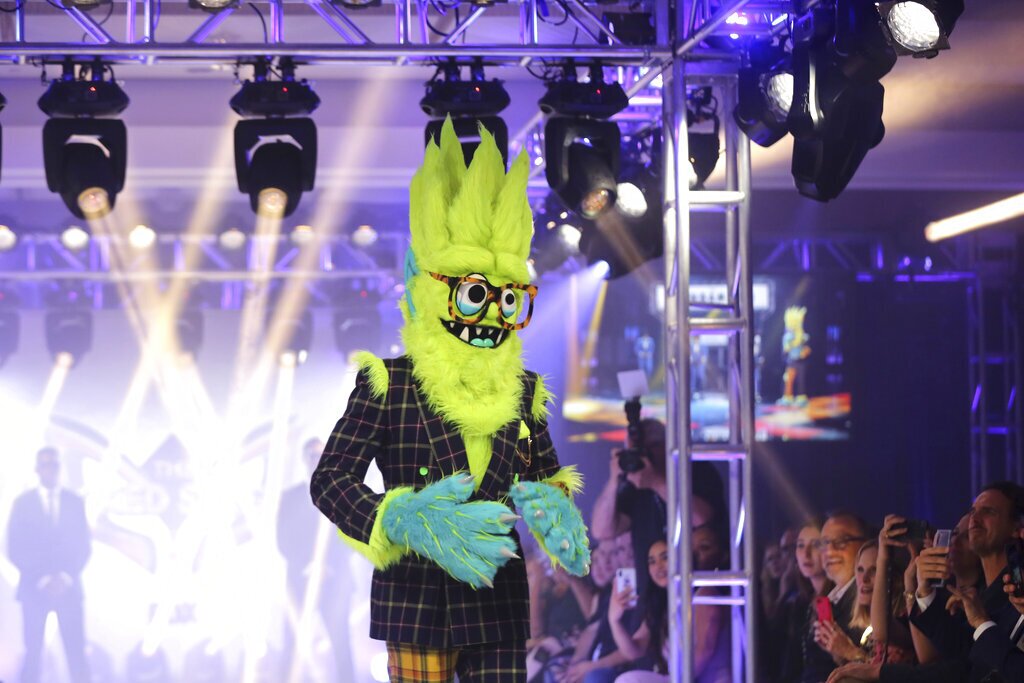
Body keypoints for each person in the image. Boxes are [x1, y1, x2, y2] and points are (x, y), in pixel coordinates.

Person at [310, 119, 590, 683]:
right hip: (417, 603)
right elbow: (329, 481)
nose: (491, 315)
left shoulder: (524, 392)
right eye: (474, 295)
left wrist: (553, 503)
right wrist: (404, 518)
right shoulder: (388, 383)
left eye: (508, 299)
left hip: (498, 603)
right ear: (432, 287)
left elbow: (545, 473)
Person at [591, 418, 724, 599]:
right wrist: (614, 480)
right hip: (653, 600)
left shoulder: (695, 469)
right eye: (636, 450)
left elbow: (700, 519)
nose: (643, 455)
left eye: (651, 446)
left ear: (667, 444)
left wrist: (656, 482)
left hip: (698, 591)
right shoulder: (635, 486)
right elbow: (602, 530)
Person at [6, 446, 92, 683]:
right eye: (46, 465)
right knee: (32, 657)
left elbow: (83, 546)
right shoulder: (22, 504)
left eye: (54, 465)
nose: (50, 470)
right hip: (35, 591)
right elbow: (15, 547)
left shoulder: (74, 503)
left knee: (77, 658)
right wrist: (43, 578)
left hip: (69, 590)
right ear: (37, 470)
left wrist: (64, 577)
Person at [276, 437, 352, 680]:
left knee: (341, 643)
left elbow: (351, 535)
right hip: (300, 582)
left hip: (335, 582)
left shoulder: (343, 495)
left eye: (319, 455)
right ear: (303, 460)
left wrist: (326, 566)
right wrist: (309, 566)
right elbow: (283, 539)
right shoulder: (289, 498)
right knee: (293, 641)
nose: (314, 460)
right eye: (310, 455)